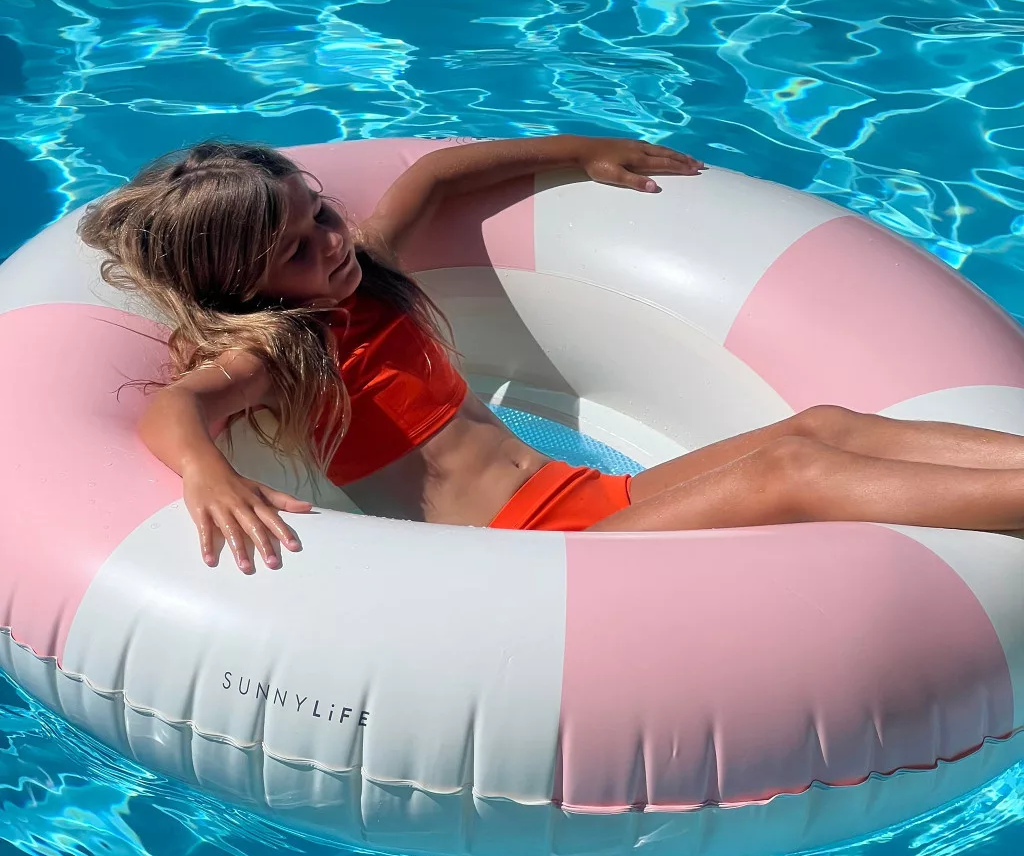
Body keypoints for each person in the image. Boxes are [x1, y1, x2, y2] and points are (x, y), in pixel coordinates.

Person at [80, 136, 1024, 574]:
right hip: (533, 558)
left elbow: (433, 175)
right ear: (246, 286)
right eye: (296, 249)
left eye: (320, 212)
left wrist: (580, 151)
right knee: (790, 472)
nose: (330, 241)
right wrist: (207, 475)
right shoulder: (283, 355)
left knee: (819, 426)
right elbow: (178, 407)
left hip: (591, 499)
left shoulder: (369, 272)